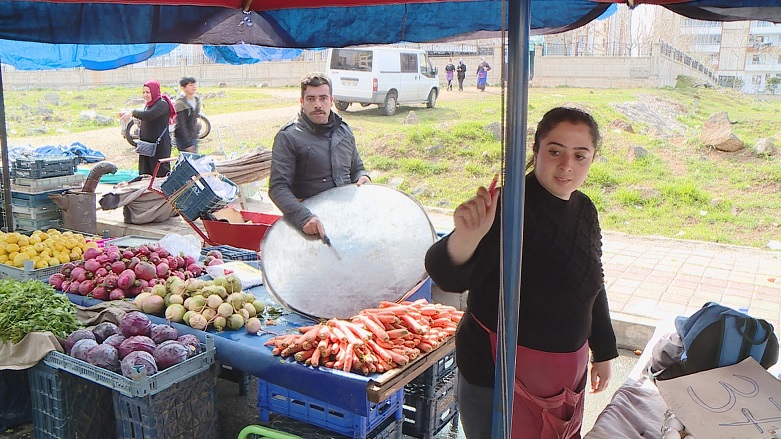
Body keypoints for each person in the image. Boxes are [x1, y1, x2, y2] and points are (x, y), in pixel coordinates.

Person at [424, 107, 618, 439]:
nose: (567, 165)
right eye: (555, 151)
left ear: (592, 159)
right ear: (536, 149)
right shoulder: (507, 206)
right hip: (496, 370)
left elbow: (590, 282)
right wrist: (467, 236)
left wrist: (604, 349)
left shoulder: (585, 208)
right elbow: (447, 276)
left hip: (564, 373)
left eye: (580, 156)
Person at [268, 72, 371, 239]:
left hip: (346, 218)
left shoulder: (344, 131)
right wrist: (304, 218)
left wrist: (363, 177)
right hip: (311, 225)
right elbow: (278, 188)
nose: (318, 104)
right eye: (311, 99)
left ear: (331, 100)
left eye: (323, 98)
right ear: (302, 102)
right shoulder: (288, 136)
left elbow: (357, 168)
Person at [120, 80, 175, 177]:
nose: (145, 95)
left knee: (159, 175)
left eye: (148, 92)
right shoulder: (148, 105)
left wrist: (132, 112)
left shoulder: (162, 104)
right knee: (145, 174)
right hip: (146, 147)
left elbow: (149, 115)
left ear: (154, 91)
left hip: (159, 147)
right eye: (143, 92)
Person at [173, 76, 201, 153]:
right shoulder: (180, 103)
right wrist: (187, 144)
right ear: (183, 88)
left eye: (194, 84)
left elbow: (195, 119)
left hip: (193, 136)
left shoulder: (196, 100)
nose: (194, 87)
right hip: (182, 138)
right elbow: (181, 125)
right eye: (190, 85)